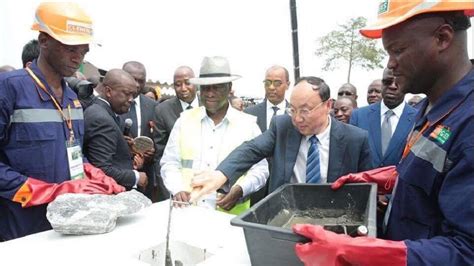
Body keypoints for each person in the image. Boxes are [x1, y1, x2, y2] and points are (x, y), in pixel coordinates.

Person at [291, 2, 474, 265]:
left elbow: (467, 251)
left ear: (442, 38)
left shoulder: (468, 123)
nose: (390, 65)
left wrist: (364, 253)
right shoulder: (430, 106)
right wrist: (385, 178)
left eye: (398, 50)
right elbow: (433, 174)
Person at [0, 2, 123, 241]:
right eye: (70, 49)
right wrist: (50, 191)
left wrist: (94, 173)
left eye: (84, 51)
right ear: (44, 41)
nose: (78, 58)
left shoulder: (72, 98)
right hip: (23, 230)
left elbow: (72, 150)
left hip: (69, 226)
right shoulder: (9, 89)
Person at [189, 76, 373, 198]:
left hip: (332, 224)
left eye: (305, 111)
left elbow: (364, 191)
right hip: (287, 218)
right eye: (292, 109)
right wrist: (221, 174)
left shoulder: (355, 140)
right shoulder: (283, 126)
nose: (297, 118)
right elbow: (251, 149)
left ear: (328, 105)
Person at [161, 56, 268, 214]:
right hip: (188, 212)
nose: (210, 93)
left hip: (228, 220)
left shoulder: (248, 125)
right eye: (205, 88)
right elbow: (169, 163)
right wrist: (177, 188)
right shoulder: (184, 121)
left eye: (217, 87)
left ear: (229, 87)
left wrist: (240, 189)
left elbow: (261, 170)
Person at [83, 69, 148, 191]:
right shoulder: (101, 119)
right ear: (108, 91)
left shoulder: (104, 113)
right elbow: (102, 170)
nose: (131, 99)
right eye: (127, 94)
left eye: (133, 95)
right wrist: (136, 177)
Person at [350, 68, 417, 168]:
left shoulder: (418, 118)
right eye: (387, 82)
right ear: (382, 84)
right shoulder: (358, 116)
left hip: (398, 182)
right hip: (364, 182)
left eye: (398, 82)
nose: (392, 86)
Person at [153, 66, 199, 201]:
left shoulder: (208, 104)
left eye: (187, 82)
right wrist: (169, 188)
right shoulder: (162, 110)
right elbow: (160, 154)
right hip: (177, 184)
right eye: (178, 85)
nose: (183, 88)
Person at [120, 61, 158, 201]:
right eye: (132, 79)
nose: (136, 84)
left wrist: (152, 152)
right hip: (119, 175)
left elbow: (159, 139)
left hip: (146, 176)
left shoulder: (154, 106)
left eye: (140, 80)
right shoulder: (112, 103)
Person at [244, 65, 290, 133]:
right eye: (267, 83)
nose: (271, 87)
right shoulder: (249, 114)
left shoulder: (294, 115)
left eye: (277, 83)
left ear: (287, 85)